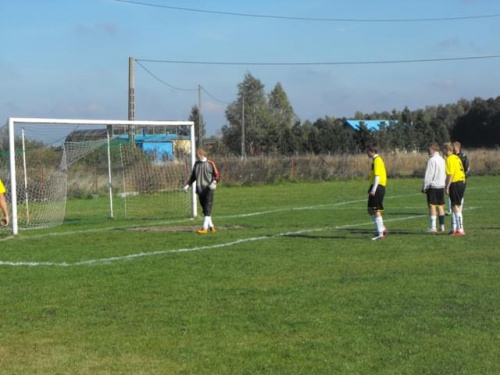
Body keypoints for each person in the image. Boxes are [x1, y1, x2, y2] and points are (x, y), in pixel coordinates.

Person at [184, 148, 220, 234]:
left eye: (197, 155)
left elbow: (217, 175)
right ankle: (211, 227)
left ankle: (204, 228)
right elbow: (193, 176)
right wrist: (188, 185)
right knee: (205, 209)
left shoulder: (211, 163)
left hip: (209, 189)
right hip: (200, 189)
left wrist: (214, 182)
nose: (196, 156)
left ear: (202, 154)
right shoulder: (196, 164)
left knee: (208, 207)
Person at [421, 142, 446, 233]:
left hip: (433, 186)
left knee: (432, 206)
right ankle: (442, 227)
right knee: (440, 206)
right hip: (441, 186)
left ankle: (433, 227)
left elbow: (429, 175)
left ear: (434, 149)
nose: (428, 151)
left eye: (429, 149)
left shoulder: (432, 160)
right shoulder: (442, 159)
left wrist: (424, 186)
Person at [443, 142, 466, 235]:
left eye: (443, 149)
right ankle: (456, 228)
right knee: (457, 206)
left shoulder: (449, 159)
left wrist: (447, 186)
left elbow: (451, 174)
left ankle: (460, 229)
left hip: (455, 183)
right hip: (462, 182)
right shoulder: (457, 157)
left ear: (447, 150)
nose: (442, 151)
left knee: (455, 206)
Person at [366, 144, 388, 241]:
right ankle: (382, 228)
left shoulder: (377, 160)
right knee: (370, 209)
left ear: (372, 151)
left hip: (378, 187)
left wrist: (374, 189)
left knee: (375, 209)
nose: (367, 153)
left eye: (368, 151)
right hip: (375, 186)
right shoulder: (374, 160)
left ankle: (380, 234)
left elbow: (377, 176)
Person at [447, 141, 470, 214]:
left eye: (454, 147)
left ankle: (458, 210)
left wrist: (465, 177)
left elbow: (467, 168)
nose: (453, 149)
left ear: (458, 148)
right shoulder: (452, 156)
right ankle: (451, 210)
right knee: (451, 196)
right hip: (453, 180)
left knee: (460, 197)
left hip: (461, 179)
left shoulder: (463, 156)